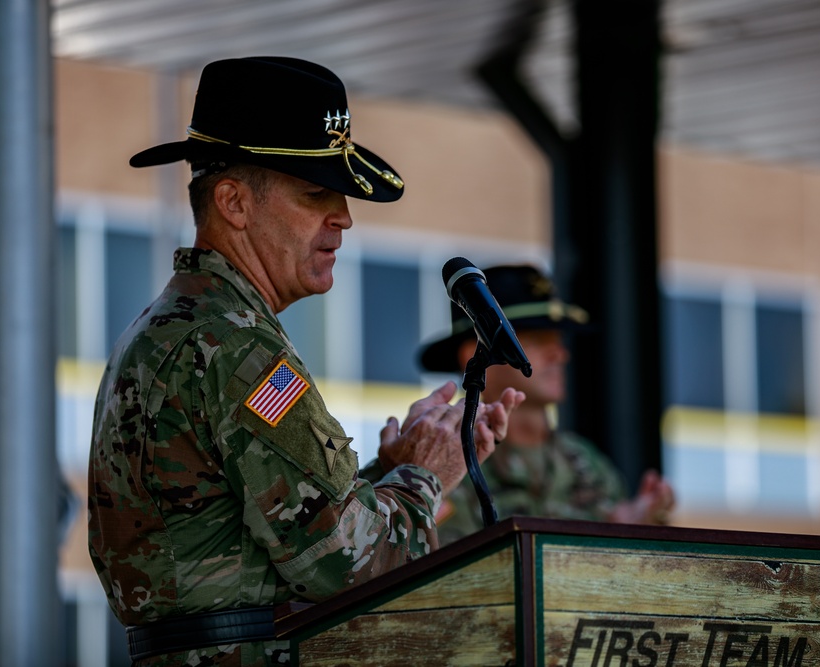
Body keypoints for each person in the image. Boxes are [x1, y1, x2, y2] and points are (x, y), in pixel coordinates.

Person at [87, 56, 524, 666]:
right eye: (315, 193)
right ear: (234, 203)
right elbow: (344, 565)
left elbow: (259, 531)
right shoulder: (235, 347)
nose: (343, 217)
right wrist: (427, 474)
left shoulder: (183, 326)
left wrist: (389, 470)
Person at [417, 264, 675, 545]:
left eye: (559, 340)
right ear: (474, 353)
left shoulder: (588, 464)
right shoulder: (444, 457)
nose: (560, 354)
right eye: (538, 339)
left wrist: (626, 529)